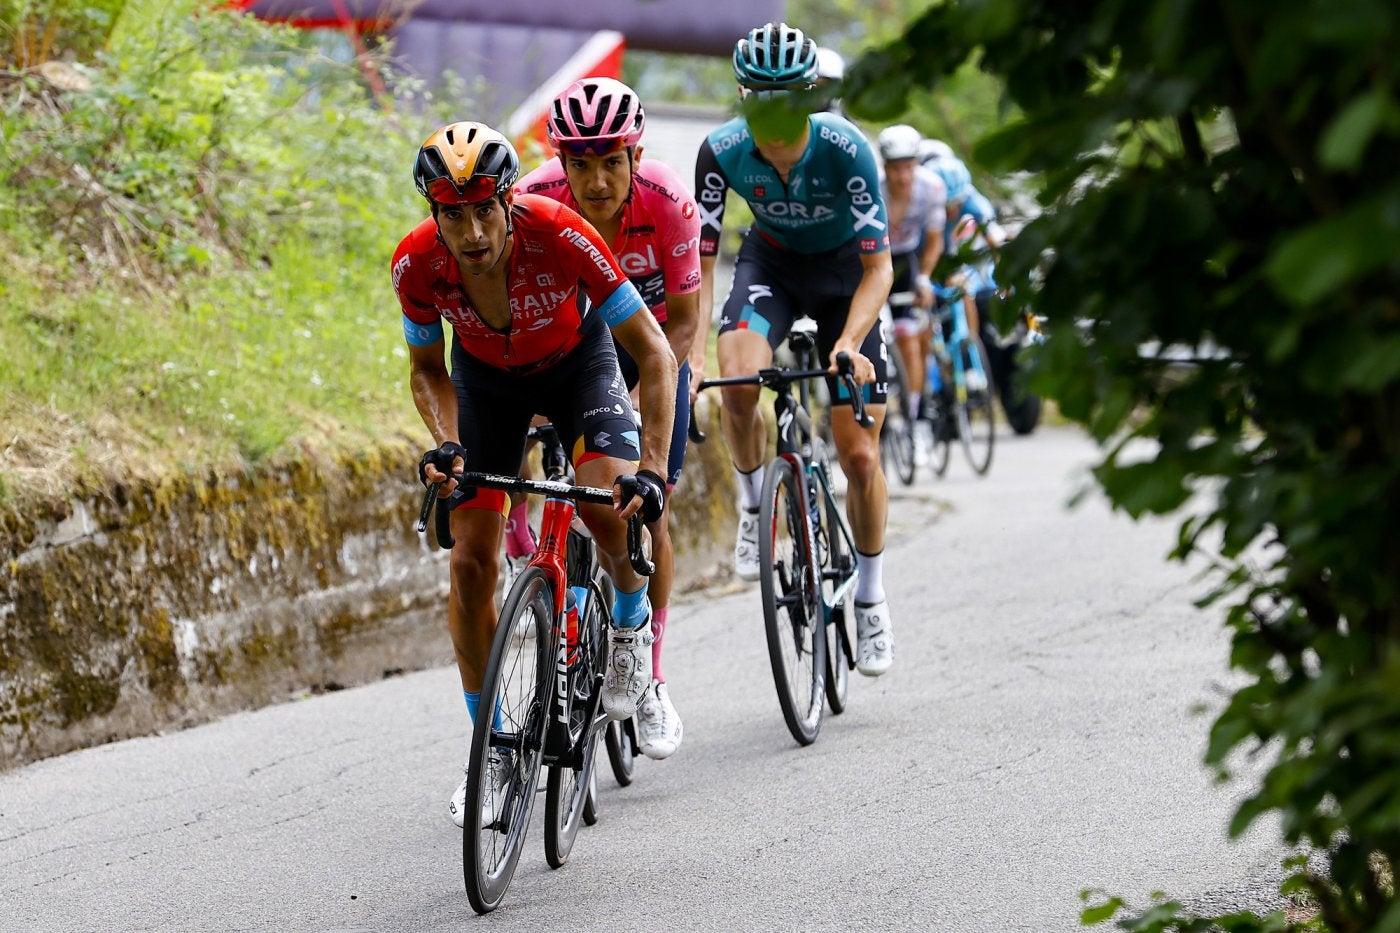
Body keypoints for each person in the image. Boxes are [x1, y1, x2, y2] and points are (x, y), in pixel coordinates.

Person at [391, 122, 677, 827]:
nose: (472, 230)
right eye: (452, 214)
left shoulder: (562, 233)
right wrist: (446, 442)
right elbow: (428, 372)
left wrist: (653, 471)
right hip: (486, 386)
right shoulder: (416, 265)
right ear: (434, 214)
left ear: (510, 201)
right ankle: (491, 748)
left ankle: (632, 634)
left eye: (485, 208)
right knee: (469, 564)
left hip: (580, 369)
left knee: (610, 513)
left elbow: (657, 354)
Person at [692, 22, 896, 676]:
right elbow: (695, 265)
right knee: (738, 381)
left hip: (846, 278)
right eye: (760, 99)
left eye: (787, 98)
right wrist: (692, 355)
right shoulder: (720, 151)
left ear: (809, 96)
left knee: (860, 453)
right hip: (771, 268)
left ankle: (869, 596)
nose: (773, 115)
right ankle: (756, 507)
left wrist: (851, 343)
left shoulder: (847, 149)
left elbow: (880, 268)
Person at [516, 76, 700, 760]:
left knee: (648, 508)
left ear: (635, 155)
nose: (597, 181)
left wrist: (643, 397)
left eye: (611, 162)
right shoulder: (532, 202)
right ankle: (540, 567)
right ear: (562, 165)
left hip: (650, 340)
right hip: (573, 342)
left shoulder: (670, 204)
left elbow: (679, 327)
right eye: (581, 164)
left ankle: (649, 673)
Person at [876, 124, 946, 425]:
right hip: (870, 258)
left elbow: (934, 240)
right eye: (895, 169)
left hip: (905, 259)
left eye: (909, 167)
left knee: (909, 338)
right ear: (885, 167)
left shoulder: (931, 187)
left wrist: (925, 278)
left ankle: (915, 418)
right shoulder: (870, 185)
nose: (903, 177)